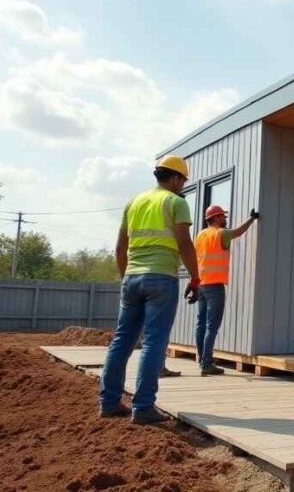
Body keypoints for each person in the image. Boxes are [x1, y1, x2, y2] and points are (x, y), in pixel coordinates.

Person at [99, 155, 200, 424]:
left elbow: (120, 248)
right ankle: (143, 407)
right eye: (183, 181)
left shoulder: (134, 202)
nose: (182, 186)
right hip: (161, 279)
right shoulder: (176, 202)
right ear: (177, 178)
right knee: (154, 341)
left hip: (132, 277)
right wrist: (195, 277)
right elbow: (184, 243)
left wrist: (126, 278)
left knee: (122, 340)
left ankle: (109, 402)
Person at [193, 204, 259, 376]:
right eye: (222, 216)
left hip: (201, 285)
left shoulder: (200, 235)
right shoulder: (220, 234)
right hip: (214, 285)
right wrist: (252, 219)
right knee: (211, 326)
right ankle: (207, 363)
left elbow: (195, 259)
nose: (225, 219)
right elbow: (238, 232)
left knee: (201, 324)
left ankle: (202, 359)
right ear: (214, 218)